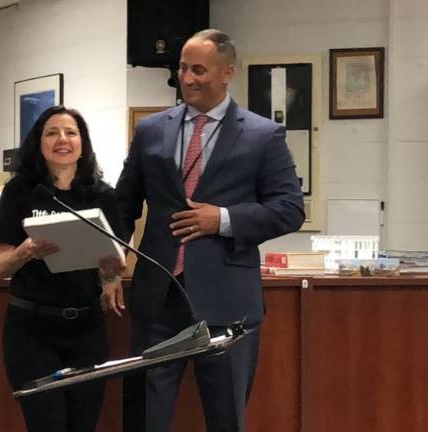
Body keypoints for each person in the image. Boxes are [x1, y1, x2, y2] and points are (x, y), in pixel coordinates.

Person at [114, 29, 305, 432]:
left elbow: (289, 209)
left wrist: (222, 219)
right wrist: (110, 267)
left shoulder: (261, 135)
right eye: (182, 68)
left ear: (226, 73)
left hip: (227, 302)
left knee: (225, 416)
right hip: (159, 297)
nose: (187, 78)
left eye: (198, 70)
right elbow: (123, 206)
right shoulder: (152, 130)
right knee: (145, 414)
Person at [0, 106, 125, 432]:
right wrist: (26, 251)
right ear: (39, 142)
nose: (62, 140)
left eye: (70, 133)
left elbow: (115, 258)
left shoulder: (103, 195)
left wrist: (111, 277)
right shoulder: (21, 190)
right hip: (31, 329)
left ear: (83, 142)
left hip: (86, 328)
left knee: (83, 424)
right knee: (47, 424)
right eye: (52, 133)